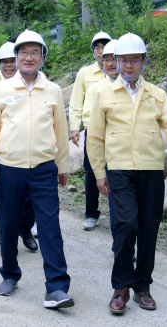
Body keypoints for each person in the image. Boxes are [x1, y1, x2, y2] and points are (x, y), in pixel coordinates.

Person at [87, 33, 167, 314]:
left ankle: (142, 286)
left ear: (144, 61)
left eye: (135, 60)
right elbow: (95, 138)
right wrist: (99, 172)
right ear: (116, 61)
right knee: (125, 225)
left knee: (148, 228)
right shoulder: (103, 94)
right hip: (120, 170)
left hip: (150, 171)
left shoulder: (156, 94)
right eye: (124, 60)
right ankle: (121, 286)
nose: (129, 65)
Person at [0, 29, 74, 308]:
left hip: (44, 169)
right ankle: (9, 273)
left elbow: (60, 131)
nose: (28, 58)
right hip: (8, 168)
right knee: (7, 225)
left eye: (34, 52)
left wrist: (62, 165)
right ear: (15, 56)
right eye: (23, 53)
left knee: (49, 227)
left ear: (43, 56)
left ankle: (56, 288)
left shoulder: (53, 90)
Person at [0, 40, 39, 253]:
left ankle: (25, 230)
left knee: (30, 198)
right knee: (4, 202)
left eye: (11, 61)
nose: (8, 66)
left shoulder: (37, 86)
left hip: (31, 155)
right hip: (2, 156)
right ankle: (6, 237)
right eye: (4, 62)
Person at [69, 31, 111, 231]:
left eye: (104, 46)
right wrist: (74, 128)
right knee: (91, 172)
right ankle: (91, 214)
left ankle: (118, 215)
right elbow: (76, 103)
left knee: (115, 171)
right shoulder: (85, 73)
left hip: (115, 132)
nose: (101, 51)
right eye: (97, 47)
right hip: (93, 131)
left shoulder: (120, 70)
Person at [81, 39, 119, 242]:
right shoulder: (95, 87)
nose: (111, 63)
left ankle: (123, 236)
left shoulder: (132, 86)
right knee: (92, 175)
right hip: (96, 136)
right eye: (106, 59)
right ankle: (91, 213)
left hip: (121, 147)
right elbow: (86, 114)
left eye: (114, 58)